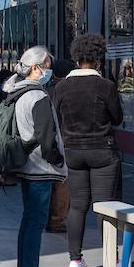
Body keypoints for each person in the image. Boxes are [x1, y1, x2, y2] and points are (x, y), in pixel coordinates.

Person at [52, 34, 123, 267]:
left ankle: (75, 259)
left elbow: (58, 118)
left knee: (78, 207)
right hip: (102, 151)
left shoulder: (61, 87)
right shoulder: (106, 86)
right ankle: (111, 258)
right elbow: (117, 118)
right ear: (99, 60)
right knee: (104, 205)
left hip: (73, 152)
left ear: (76, 58)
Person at [2, 46, 66, 267]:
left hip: (27, 167)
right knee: (36, 222)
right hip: (40, 169)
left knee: (28, 220)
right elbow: (47, 137)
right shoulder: (38, 96)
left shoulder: (17, 92)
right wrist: (58, 160)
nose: (50, 70)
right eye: (48, 65)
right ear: (37, 68)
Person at [45, 59, 77, 234]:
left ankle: (50, 217)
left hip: (48, 141)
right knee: (62, 183)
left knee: (51, 183)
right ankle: (57, 220)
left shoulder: (47, 90)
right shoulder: (65, 91)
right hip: (63, 141)